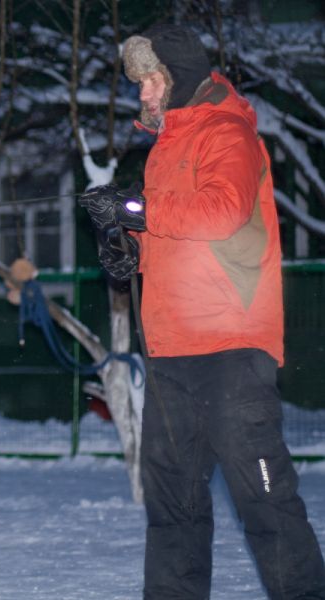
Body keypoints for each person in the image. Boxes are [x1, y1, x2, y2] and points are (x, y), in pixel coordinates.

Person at [78, 23, 325, 600]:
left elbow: (221, 212)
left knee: (266, 503)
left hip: (231, 347)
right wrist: (127, 251)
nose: (142, 93)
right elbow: (172, 232)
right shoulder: (165, 148)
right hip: (171, 352)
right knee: (173, 511)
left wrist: (136, 209)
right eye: (138, 83)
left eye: (150, 80)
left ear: (180, 77)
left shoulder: (227, 130)